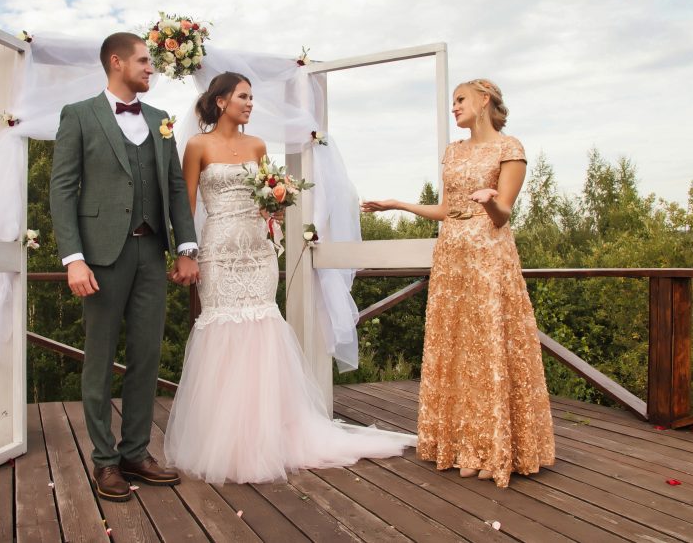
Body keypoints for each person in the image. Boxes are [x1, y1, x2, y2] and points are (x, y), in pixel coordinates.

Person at [163, 72, 415, 485]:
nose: (250, 104)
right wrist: (185, 253)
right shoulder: (196, 146)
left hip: (259, 253)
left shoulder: (257, 146)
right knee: (223, 330)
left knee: (263, 327)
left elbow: (266, 195)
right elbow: (184, 206)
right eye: (243, 96)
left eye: (251, 97)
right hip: (220, 251)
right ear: (221, 100)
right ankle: (225, 439)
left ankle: (269, 436)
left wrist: (274, 209)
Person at [362, 79, 554, 488]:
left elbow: (502, 214)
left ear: (484, 101)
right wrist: (398, 204)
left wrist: (488, 201)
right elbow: (447, 209)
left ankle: (495, 449)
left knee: (487, 345)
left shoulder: (509, 148)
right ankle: (462, 444)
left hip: (488, 253)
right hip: (452, 253)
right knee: (457, 347)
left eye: (460, 100)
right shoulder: (453, 152)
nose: (455, 107)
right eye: (452, 102)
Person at [49, 32, 200, 501]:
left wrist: (186, 248)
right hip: (100, 257)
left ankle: (136, 452)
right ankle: (104, 461)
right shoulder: (78, 115)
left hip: (151, 253)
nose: (150, 68)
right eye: (143, 61)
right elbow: (62, 190)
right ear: (116, 63)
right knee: (99, 359)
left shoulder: (160, 121)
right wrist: (74, 258)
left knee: (147, 357)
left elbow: (176, 190)